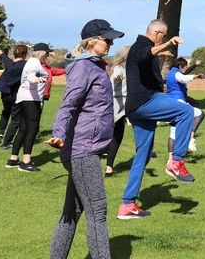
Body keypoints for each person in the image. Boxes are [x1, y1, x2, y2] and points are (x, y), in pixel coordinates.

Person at [47, 18, 123, 259]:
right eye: (106, 39)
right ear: (92, 41)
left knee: (72, 212)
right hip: (82, 149)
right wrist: (58, 133)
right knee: (97, 212)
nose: (110, 43)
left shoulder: (97, 66)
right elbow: (68, 103)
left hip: (86, 147)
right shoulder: (83, 68)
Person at [119, 19, 195, 219]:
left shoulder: (145, 49)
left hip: (136, 108)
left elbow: (145, 58)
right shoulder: (140, 45)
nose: (165, 39)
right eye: (164, 36)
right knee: (186, 112)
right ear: (158, 34)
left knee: (142, 155)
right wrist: (169, 44)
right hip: (146, 102)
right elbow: (144, 53)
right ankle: (176, 161)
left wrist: (161, 52)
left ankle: (127, 205)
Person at [5, 43, 49, 172]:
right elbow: (31, 75)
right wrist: (35, 80)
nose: (47, 57)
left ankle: (13, 159)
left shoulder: (31, 62)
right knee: (32, 128)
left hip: (24, 98)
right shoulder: (34, 62)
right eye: (47, 54)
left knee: (23, 128)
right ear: (42, 53)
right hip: (31, 98)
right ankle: (26, 162)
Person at [164, 56, 204, 159]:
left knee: (173, 131)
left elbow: (183, 75)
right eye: (185, 67)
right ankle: (191, 139)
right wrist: (195, 76)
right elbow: (183, 78)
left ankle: (170, 159)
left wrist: (194, 68)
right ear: (181, 66)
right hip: (178, 103)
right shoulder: (177, 73)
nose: (186, 69)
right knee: (200, 114)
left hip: (170, 104)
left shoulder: (170, 73)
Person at [103, 46, 130, 176]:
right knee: (116, 136)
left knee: (115, 135)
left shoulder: (116, 68)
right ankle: (108, 166)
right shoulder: (119, 69)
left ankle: (108, 165)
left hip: (117, 103)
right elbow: (117, 88)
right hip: (117, 104)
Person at [0, 46, 26, 148]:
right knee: (16, 119)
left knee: (6, 111)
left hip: (4, 93)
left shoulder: (9, 64)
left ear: (14, 54)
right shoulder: (24, 65)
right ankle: (7, 143)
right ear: (25, 55)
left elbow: (6, 60)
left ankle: (0, 133)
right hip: (15, 93)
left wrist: (1, 53)